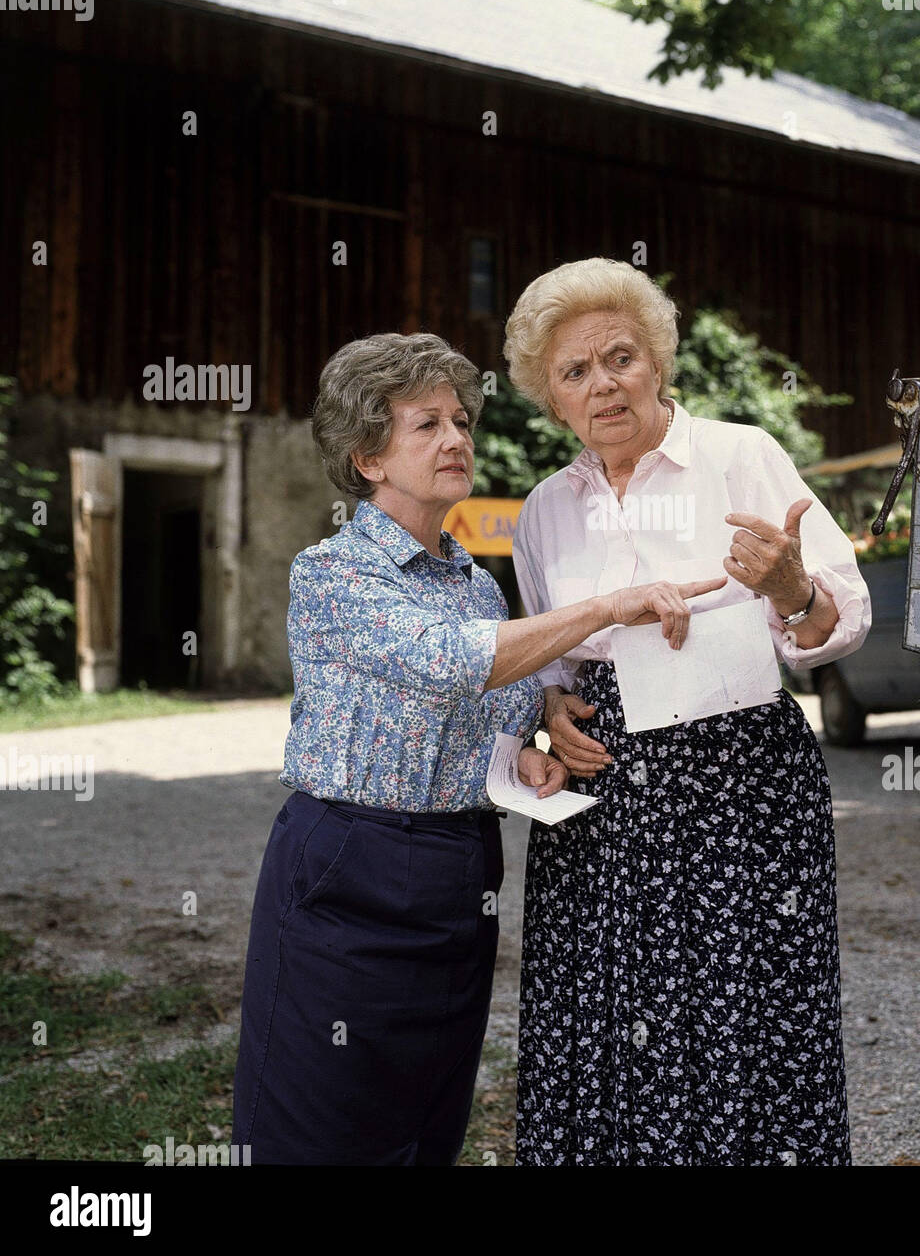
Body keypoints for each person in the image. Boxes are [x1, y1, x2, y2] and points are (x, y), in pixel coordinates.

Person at [231, 330, 724, 1165]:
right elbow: (451, 662)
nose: (457, 438)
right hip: (351, 860)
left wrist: (532, 739)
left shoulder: (474, 582)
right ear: (366, 458)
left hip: (463, 866)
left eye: (461, 420)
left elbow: (499, 704)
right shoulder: (333, 573)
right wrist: (607, 605)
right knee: (316, 1121)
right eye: (426, 425)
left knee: (426, 1118)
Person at [507, 259, 873, 1165]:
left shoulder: (740, 454)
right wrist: (551, 715)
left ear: (658, 362)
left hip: (740, 780)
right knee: (604, 1013)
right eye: (574, 372)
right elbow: (546, 660)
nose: (603, 384)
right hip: (600, 803)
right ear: (550, 399)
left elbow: (841, 620)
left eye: (619, 357)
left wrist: (790, 586)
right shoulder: (544, 510)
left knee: (743, 1014)